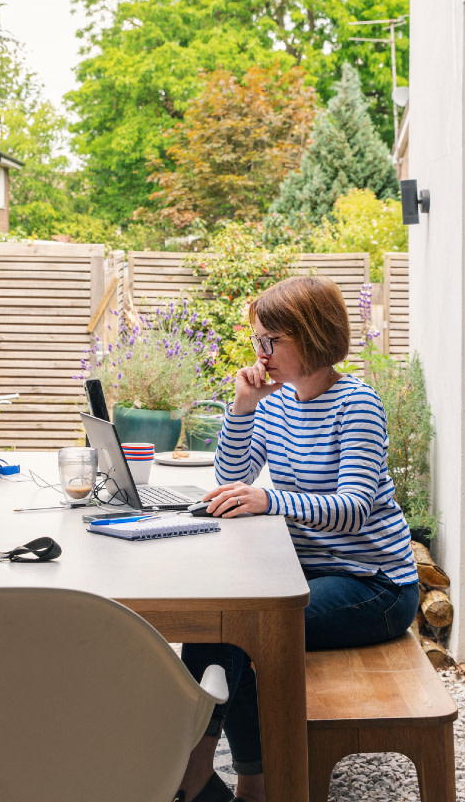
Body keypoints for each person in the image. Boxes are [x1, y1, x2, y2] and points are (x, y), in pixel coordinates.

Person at [173, 276, 419, 802]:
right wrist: (241, 407)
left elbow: (353, 511)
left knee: (246, 629)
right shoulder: (276, 401)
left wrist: (271, 501)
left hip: (374, 585)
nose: (260, 354)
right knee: (226, 618)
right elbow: (230, 471)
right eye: (257, 341)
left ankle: (199, 776)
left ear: (313, 336)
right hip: (304, 572)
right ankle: (240, 780)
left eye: (272, 341)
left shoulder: (357, 405)